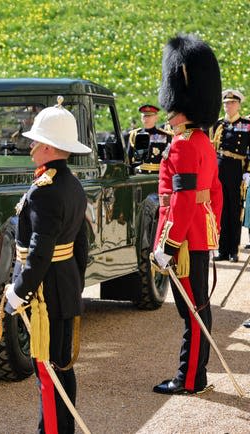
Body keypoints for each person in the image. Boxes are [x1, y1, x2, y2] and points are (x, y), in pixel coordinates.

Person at [4, 101, 90, 433]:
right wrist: (75, 281)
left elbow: (39, 252)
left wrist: (19, 291)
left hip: (43, 293)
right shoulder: (72, 184)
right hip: (64, 284)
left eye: (35, 142)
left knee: (48, 371)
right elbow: (81, 244)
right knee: (61, 366)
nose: (30, 147)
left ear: (49, 147)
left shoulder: (45, 190)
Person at [151, 34, 223, 395]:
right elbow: (216, 194)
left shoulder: (182, 145)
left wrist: (168, 242)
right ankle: (197, 374)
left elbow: (180, 199)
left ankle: (190, 378)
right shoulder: (203, 142)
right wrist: (212, 230)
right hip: (198, 235)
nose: (168, 112)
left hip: (182, 241)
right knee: (199, 309)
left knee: (191, 314)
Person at [210, 89, 250, 263]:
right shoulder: (217, 124)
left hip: (236, 168)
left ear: (238, 104)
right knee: (220, 209)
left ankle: (233, 249)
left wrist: (248, 171)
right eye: (226, 103)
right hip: (219, 167)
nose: (228, 106)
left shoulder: (246, 125)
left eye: (232, 103)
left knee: (234, 209)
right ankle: (222, 249)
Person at [126, 104, 173, 173]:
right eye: (144, 116)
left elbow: (170, 158)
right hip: (140, 174)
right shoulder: (134, 135)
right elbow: (129, 158)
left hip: (158, 175)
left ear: (156, 118)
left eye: (149, 116)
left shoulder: (165, 135)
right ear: (141, 118)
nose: (146, 118)